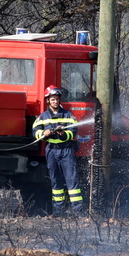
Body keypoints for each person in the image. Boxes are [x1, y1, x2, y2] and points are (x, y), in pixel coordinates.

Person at [32, 85, 84, 215]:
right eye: (52, 99)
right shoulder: (43, 117)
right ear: (48, 101)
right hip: (51, 151)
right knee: (56, 183)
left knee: (72, 181)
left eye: (56, 99)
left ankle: (78, 212)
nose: (55, 101)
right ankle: (58, 212)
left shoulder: (68, 115)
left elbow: (73, 131)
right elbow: (35, 132)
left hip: (66, 151)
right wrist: (44, 133)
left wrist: (63, 134)